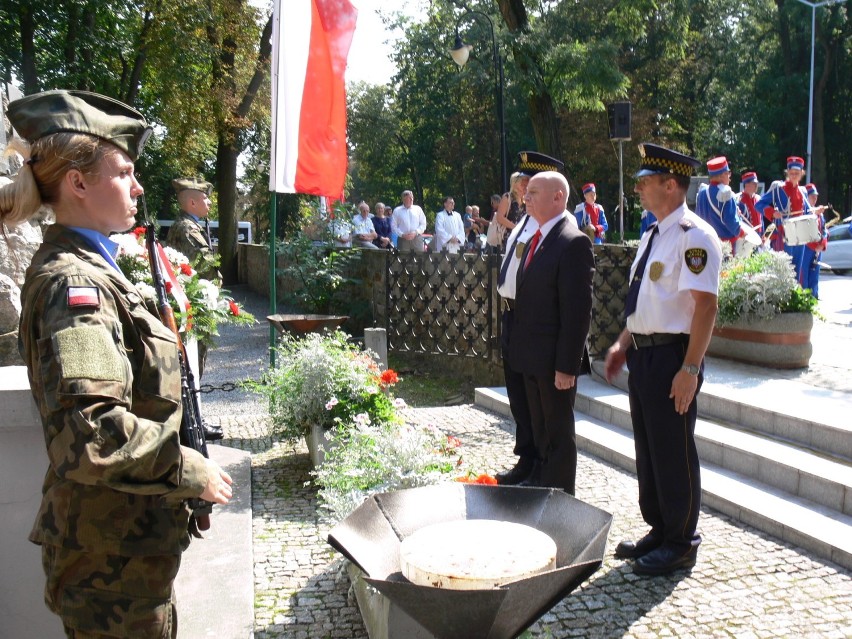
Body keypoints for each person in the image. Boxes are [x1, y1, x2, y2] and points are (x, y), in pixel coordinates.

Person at [3, 89, 233, 637]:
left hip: (124, 552)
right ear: (78, 184)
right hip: (109, 567)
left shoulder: (93, 269)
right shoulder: (75, 284)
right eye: (124, 172)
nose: (139, 186)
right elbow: (93, 434)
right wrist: (189, 469)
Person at [603, 142, 721, 576]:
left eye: (645, 182)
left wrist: (690, 369)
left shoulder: (694, 237)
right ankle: (660, 526)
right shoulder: (654, 235)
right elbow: (644, 303)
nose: (639, 189)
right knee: (649, 449)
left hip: (675, 356)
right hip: (645, 356)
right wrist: (622, 344)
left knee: (673, 450)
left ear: (671, 185)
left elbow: (705, 307)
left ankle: (681, 540)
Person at [506, 170, 594, 494]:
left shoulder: (573, 242)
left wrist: (566, 366)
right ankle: (542, 488)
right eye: (527, 193)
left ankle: (559, 500)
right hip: (532, 356)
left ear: (558, 197)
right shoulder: (536, 238)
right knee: (540, 431)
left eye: (534, 192)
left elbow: (576, 312)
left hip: (553, 360)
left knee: (557, 434)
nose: (525, 197)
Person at [755, 156, 813, 282]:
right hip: (783, 234)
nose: (793, 176)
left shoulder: (803, 191)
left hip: (800, 235)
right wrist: (772, 212)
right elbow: (759, 205)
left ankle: (794, 297)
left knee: (797, 270)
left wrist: (815, 211)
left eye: (797, 173)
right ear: (787, 172)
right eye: (791, 173)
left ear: (802, 173)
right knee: (784, 269)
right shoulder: (778, 188)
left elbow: (808, 213)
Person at [167, 176, 219, 281]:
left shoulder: (181, 224)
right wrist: (217, 280)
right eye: (205, 198)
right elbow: (203, 266)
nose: (210, 202)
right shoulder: (189, 228)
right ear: (192, 203)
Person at [695, 156, 741, 253]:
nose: (729, 177)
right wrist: (743, 232)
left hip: (704, 243)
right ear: (721, 176)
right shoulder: (726, 193)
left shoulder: (702, 192)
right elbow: (732, 223)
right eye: (728, 173)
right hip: (724, 247)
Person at [803, 183, 828, 298]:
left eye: (816, 195)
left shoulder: (820, 215)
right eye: (812, 195)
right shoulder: (805, 212)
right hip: (807, 247)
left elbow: (824, 230)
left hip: (817, 248)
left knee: (815, 273)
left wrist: (822, 245)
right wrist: (814, 246)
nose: (815, 198)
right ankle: (805, 298)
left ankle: (814, 295)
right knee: (804, 273)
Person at [494, 171, 529, 250]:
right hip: (509, 236)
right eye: (521, 181)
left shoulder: (525, 198)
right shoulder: (507, 197)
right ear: (515, 183)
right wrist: (516, 228)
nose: (524, 184)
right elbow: (499, 217)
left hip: (522, 237)